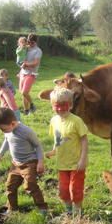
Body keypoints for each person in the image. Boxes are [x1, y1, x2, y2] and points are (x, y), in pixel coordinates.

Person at [0, 107, 47, 217]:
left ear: (12, 123)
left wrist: (40, 162)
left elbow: (38, 145)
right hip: (15, 164)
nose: (2, 131)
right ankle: (12, 208)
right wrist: (0, 154)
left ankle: (42, 207)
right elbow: (6, 141)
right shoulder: (8, 131)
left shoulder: (26, 131)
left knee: (30, 185)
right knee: (10, 187)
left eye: (3, 129)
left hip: (29, 163)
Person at [45, 88, 89, 216]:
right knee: (64, 190)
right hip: (62, 162)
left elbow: (84, 140)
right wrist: (54, 150)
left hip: (76, 163)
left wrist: (82, 159)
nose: (60, 109)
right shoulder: (54, 121)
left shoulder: (76, 121)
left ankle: (78, 213)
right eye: (56, 106)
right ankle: (69, 213)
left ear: (70, 105)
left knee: (75, 189)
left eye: (63, 106)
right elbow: (57, 138)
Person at [19, 33, 42, 116]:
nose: (30, 44)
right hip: (23, 72)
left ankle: (32, 105)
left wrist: (26, 63)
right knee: (23, 93)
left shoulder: (37, 50)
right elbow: (20, 57)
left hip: (31, 74)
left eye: (32, 42)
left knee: (24, 92)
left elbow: (35, 63)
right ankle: (26, 111)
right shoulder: (26, 49)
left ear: (36, 42)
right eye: (29, 42)